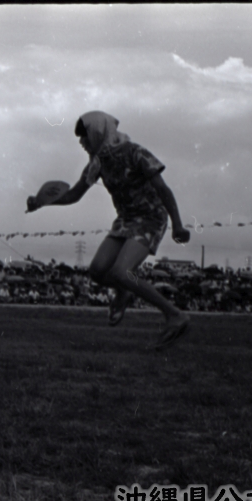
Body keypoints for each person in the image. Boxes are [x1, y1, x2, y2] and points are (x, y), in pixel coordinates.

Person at [27, 111, 191, 350]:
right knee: (97, 271)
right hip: (125, 220)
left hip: (150, 218)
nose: (81, 142)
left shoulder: (135, 152)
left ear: (98, 133)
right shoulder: (97, 163)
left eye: (84, 137)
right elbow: (73, 195)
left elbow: (163, 189)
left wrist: (178, 224)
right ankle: (124, 293)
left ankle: (174, 315)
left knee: (123, 272)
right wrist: (42, 202)